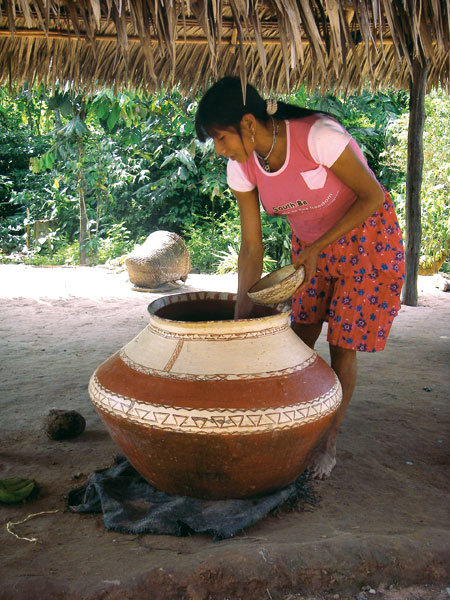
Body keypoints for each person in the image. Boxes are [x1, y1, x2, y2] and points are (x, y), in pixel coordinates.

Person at [195, 76, 405, 479]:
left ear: (248, 123)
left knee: (342, 345)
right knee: (297, 339)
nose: (219, 149)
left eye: (221, 137)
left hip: (367, 241)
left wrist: (317, 247)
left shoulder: (318, 136)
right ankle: (288, 429)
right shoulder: (242, 167)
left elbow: (373, 196)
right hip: (311, 250)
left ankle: (327, 442)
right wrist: (240, 318)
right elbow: (251, 247)